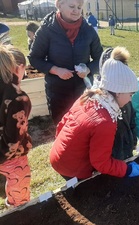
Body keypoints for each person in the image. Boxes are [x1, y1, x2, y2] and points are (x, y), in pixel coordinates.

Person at [50, 46, 139, 180]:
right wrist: (127, 169)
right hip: (72, 167)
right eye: (130, 94)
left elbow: (63, 123)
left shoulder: (90, 96)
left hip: (58, 154)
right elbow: (101, 163)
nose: (131, 99)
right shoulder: (105, 121)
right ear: (118, 92)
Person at [28, 0, 103, 125]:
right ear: (59, 5)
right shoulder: (47, 29)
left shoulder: (88, 30)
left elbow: (100, 58)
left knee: (83, 128)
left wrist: (88, 69)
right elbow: (34, 58)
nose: (76, 11)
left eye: (79, 7)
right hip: (58, 92)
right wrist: (55, 70)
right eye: (72, 6)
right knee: (62, 127)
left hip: (83, 90)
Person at [0, 45, 32, 207]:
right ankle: (17, 210)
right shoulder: (18, 98)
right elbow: (13, 141)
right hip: (11, 157)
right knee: (19, 186)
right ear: (19, 68)